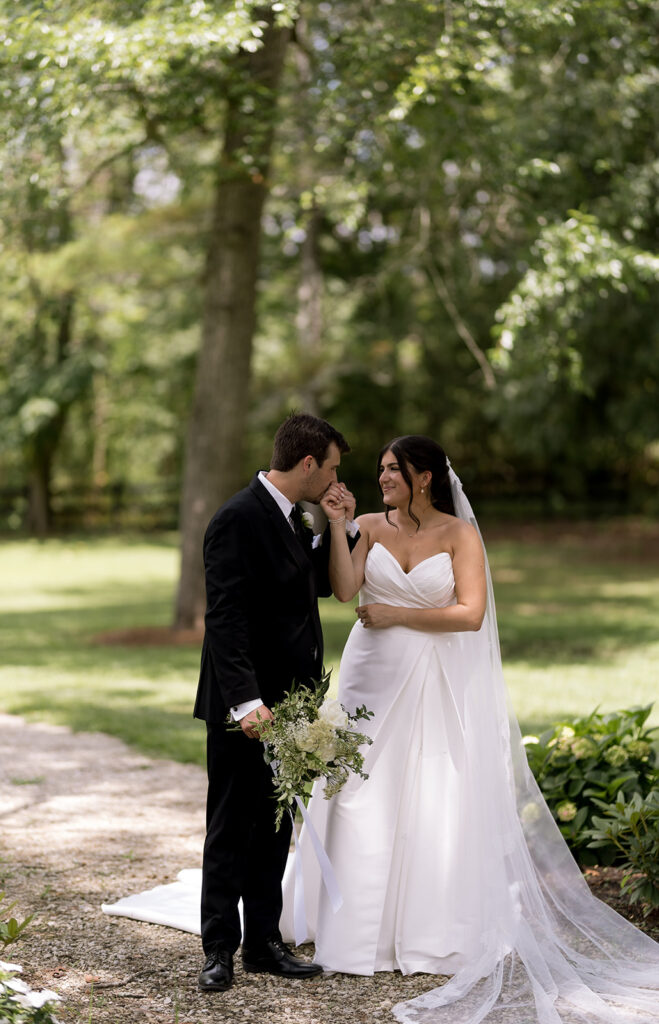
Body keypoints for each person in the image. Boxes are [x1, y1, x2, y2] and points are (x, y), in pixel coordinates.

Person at [281, 435, 659, 1023]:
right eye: (379, 469)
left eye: (392, 470)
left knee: (430, 794)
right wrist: (339, 526)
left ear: (424, 477)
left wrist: (399, 614)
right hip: (368, 679)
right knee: (355, 793)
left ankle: (426, 930)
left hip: (432, 679)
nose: (381, 477)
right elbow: (348, 591)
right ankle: (348, 928)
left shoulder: (460, 536)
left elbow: (471, 613)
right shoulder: (371, 527)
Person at [193, 412, 359, 993]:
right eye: (333, 468)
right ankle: (218, 949)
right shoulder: (237, 518)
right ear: (308, 463)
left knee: (273, 824)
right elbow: (226, 620)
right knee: (231, 827)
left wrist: (341, 523)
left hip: (292, 707)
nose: (337, 478)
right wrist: (245, 703)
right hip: (247, 711)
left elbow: (317, 583)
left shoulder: (296, 517)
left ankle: (264, 942)